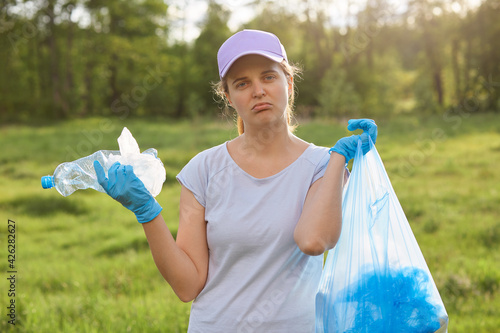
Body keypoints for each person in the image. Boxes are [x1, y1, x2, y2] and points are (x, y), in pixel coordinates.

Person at [93, 29, 377, 332]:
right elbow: (187, 286)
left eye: (268, 77)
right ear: (228, 96)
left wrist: (338, 160)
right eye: (242, 83)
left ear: (289, 83)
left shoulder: (322, 164)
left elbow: (314, 240)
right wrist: (146, 211)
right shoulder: (202, 169)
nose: (258, 91)